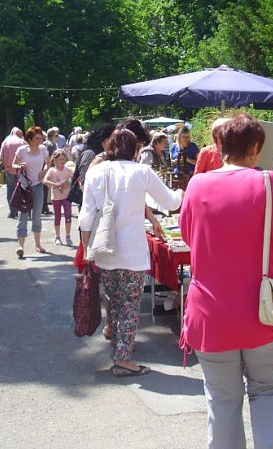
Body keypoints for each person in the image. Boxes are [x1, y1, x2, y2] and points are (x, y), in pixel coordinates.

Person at [179, 113, 273, 449]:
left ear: (220, 147)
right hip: (263, 311)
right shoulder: (268, 183)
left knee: (222, 400)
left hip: (209, 315)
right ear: (254, 148)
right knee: (267, 391)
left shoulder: (198, 185)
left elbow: (190, 238)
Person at [78, 128, 184, 377]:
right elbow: (170, 202)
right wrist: (180, 193)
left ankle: (119, 347)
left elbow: (85, 217)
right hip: (132, 252)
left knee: (114, 302)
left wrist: (86, 250)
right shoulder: (141, 172)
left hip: (104, 249)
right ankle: (123, 359)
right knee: (129, 306)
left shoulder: (97, 172)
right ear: (135, 149)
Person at [12, 126, 50, 258]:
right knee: (23, 215)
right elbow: (13, 165)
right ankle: (20, 246)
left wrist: (44, 171)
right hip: (24, 186)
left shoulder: (43, 149)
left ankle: (38, 244)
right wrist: (19, 166)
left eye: (41, 138)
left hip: (38, 185)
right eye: (37, 138)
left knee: (37, 215)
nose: (40, 141)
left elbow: (48, 164)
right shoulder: (21, 150)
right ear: (29, 139)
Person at [43, 149, 73, 245]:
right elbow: (45, 181)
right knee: (57, 217)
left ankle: (68, 236)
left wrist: (69, 184)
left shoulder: (67, 170)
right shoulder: (52, 170)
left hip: (67, 197)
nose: (62, 161)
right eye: (60, 159)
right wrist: (56, 184)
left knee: (68, 216)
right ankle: (57, 236)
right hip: (56, 198)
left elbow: (74, 178)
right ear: (55, 160)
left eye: (64, 159)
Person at [0, 127, 26, 219]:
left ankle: (12, 211)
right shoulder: (23, 142)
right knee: (22, 190)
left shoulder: (5, 142)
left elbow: (1, 158)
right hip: (20, 170)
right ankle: (22, 210)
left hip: (9, 170)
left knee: (10, 190)